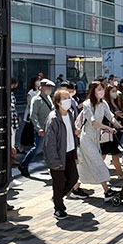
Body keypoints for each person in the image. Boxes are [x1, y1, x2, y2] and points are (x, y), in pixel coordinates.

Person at [77, 82, 119, 200]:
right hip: (86, 139)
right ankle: (107, 191)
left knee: (84, 165)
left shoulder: (103, 103)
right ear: (93, 91)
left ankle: (75, 188)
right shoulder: (87, 105)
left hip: (96, 139)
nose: (101, 91)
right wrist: (108, 128)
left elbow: (110, 117)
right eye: (99, 89)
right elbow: (93, 122)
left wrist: (118, 126)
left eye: (102, 89)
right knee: (98, 162)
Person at [44, 89, 80, 219]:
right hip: (58, 156)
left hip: (70, 152)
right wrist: (54, 161)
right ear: (58, 102)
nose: (68, 100)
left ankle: (57, 198)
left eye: (68, 97)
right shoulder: (53, 119)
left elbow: (70, 132)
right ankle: (58, 208)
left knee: (73, 178)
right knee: (59, 182)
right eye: (64, 98)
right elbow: (50, 142)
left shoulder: (69, 114)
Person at [19, 79, 55, 178]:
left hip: (50, 127)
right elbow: (33, 116)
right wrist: (38, 128)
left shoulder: (48, 98)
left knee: (50, 149)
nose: (50, 89)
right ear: (42, 88)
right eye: (48, 87)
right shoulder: (36, 99)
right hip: (42, 129)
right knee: (37, 149)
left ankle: (53, 168)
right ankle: (24, 165)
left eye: (50, 88)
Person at [102, 84, 123, 178]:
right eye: (112, 91)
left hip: (115, 132)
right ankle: (120, 174)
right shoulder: (106, 104)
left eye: (115, 91)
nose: (115, 93)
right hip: (108, 133)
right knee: (107, 154)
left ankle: (120, 174)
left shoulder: (116, 103)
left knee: (112, 153)